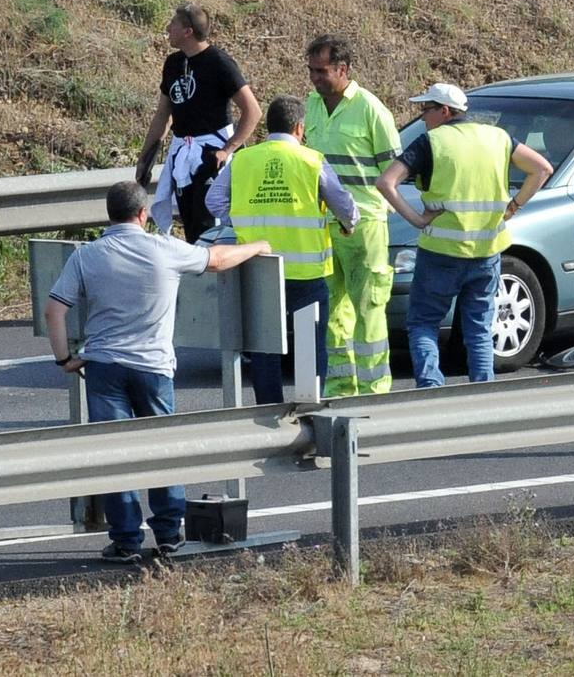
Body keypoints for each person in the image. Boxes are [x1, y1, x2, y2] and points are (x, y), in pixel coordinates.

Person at [43, 182, 270, 564]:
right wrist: (257, 247)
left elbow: (55, 309)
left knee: (115, 454)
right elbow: (216, 259)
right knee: (163, 451)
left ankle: (126, 541)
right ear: (143, 214)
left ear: (109, 214)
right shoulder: (163, 248)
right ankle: (168, 535)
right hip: (153, 367)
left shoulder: (87, 256)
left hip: (104, 367)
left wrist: (64, 358)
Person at [375, 83, 553, 386]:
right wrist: (514, 206)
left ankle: (432, 390)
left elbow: (385, 183)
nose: (423, 117)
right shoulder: (498, 137)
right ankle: (482, 393)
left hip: (440, 253)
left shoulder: (432, 141)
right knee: (480, 328)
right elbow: (542, 169)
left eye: (426, 110)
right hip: (486, 252)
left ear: (445, 111)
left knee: (423, 324)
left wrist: (417, 219)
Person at [208, 95, 357, 404]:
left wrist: (241, 224)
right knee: (310, 347)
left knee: (265, 345)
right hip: (306, 272)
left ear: (267, 127)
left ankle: (268, 409)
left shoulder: (245, 159)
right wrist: (349, 223)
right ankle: (309, 407)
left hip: (258, 267)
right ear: (299, 127)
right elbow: (343, 204)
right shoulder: (311, 160)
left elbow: (214, 201)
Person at [302, 35, 403, 396]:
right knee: (331, 311)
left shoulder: (371, 109)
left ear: (343, 69)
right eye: (311, 70)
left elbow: (393, 171)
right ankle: (341, 387)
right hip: (324, 225)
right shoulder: (311, 105)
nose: (314, 78)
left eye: (322, 71)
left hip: (365, 225)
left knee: (369, 310)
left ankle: (376, 389)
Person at [135, 3, 262, 242]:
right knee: (191, 225)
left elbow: (253, 111)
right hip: (184, 153)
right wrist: (145, 160)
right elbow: (163, 115)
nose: (167, 28)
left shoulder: (219, 63)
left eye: (173, 24)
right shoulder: (173, 64)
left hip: (212, 156)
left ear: (188, 31)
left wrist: (227, 150)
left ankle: (216, 275)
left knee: (211, 228)